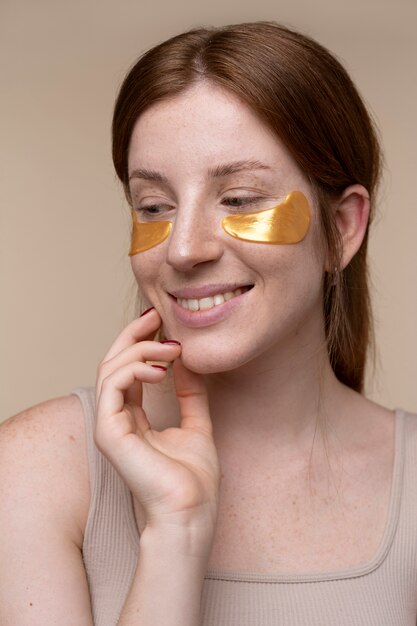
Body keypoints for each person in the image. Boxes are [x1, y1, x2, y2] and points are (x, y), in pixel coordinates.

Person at [0, 20, 415, 626]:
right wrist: (176, 533)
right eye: (154, 207)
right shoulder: (36, 468)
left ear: (344, 229)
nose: (183, 249)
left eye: (241, 198)